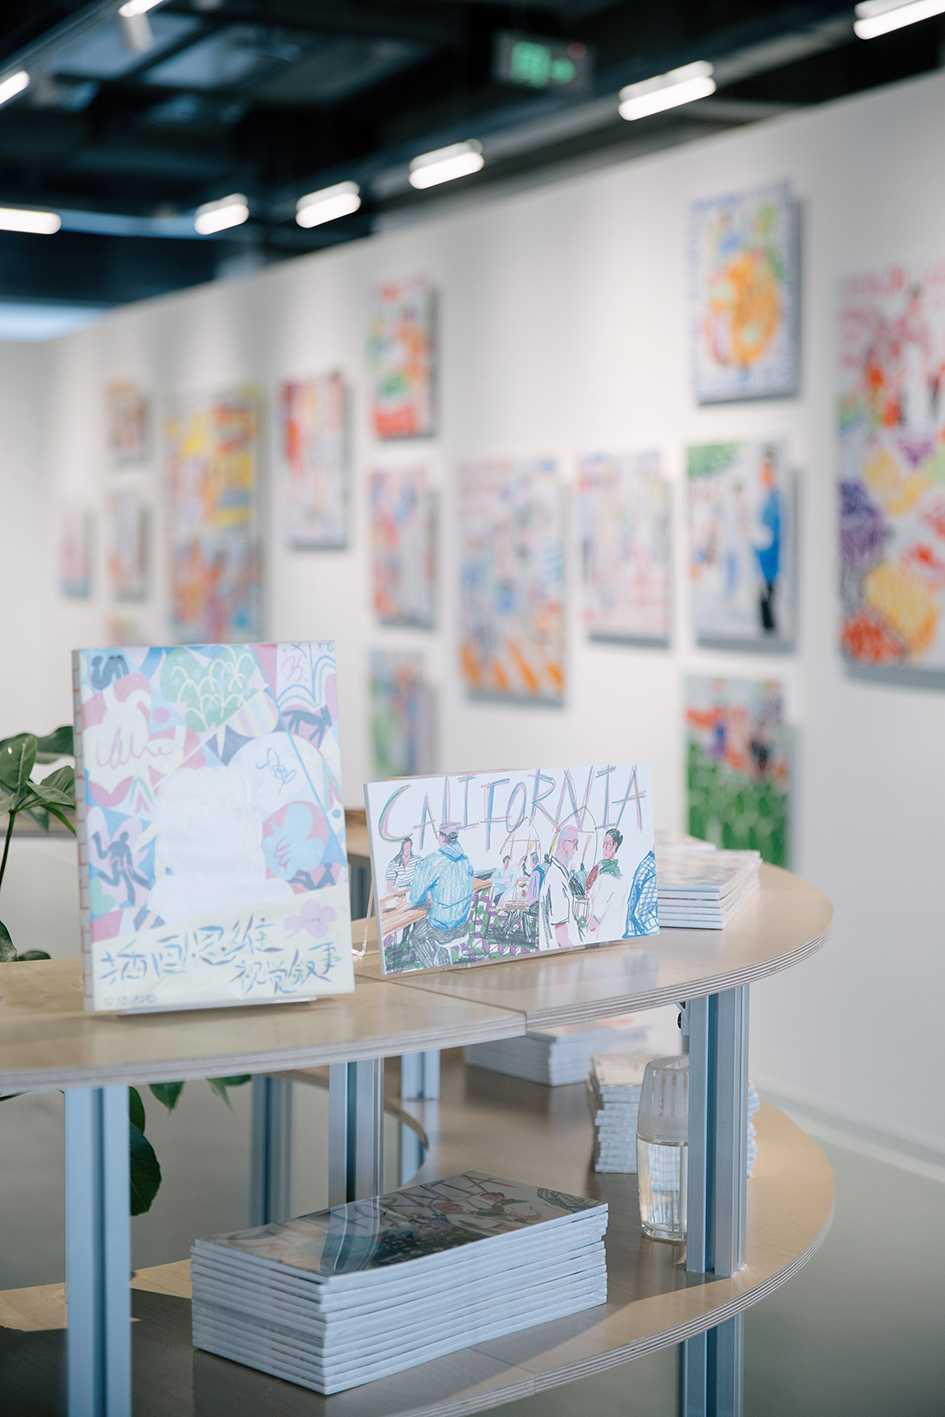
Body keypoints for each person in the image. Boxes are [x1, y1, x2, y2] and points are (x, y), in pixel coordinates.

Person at [405, 826, 474, 967]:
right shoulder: (466, 860)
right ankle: (444, 962)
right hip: (463, 925)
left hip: (442, 929)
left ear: (442, 837)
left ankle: (430, 968)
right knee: (432, 925)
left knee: (417, 936)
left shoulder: (432, 861)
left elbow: (417, 898)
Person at [538, 823, 580, 950]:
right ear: (563, 844)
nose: (576, 848)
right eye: (574, 843)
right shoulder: (556, 879)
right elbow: (561, 939)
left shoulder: (558, 875)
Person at [586, 827, 630, 943]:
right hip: (615, 935)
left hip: (601, 936)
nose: (605, 848)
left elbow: (594, 922)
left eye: (609, 844)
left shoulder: (606, 878)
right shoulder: (619, 876)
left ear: (615, 846)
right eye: (604, 844)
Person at [755, 451, 781, 633]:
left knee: (767, 610)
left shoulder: (775, 500)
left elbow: (770, 536)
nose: (762, 474)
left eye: (766, 470)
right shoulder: (766, 499)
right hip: (765, 567)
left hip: (771, 569)